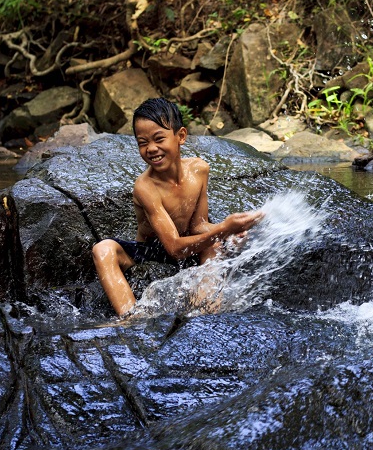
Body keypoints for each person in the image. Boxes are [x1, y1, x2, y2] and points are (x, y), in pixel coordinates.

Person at [92, 98, 263, 317]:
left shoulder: (199, 170)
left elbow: (198, 225)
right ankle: (130, 318)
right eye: (142, 142)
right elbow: (173, 247)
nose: (151, 149)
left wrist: (229, 231)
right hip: (152, 251)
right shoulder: (145, 187)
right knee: (103, 249)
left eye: (159, 139)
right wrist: (224, 229)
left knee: (214, 245)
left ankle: (208, 312)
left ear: (180, 136)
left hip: (188, 245)